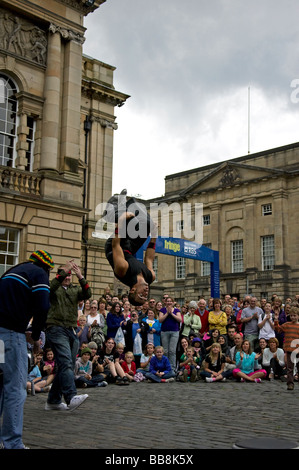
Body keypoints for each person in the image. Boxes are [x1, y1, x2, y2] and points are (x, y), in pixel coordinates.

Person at [0, 249, 53, 448]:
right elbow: (43, 306)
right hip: (13, 334)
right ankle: (12, 443)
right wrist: (37, 334)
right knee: (15, 388)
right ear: (46, 267)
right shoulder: (38, 274)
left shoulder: (12, 271)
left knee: (1, 385)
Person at [45, 259, 92, 411]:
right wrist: (64, 269)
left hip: (71, 330)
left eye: (69, 275)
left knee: (66, 366)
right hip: (56, 328)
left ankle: (53, 400)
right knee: (65, 362)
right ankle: (71, 397)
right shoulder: (54, 288)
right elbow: (51, 286)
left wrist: (80, 276)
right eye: (65, 274)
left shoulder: (74, 289)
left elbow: (87, 293)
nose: (67, 277)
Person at [104, 191, 157, 306]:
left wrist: (121, 220)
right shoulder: (150, 277)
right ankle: (130, 203)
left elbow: (116, 245)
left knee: (129, 221)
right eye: (145, 297)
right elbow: (149, 259)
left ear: (133, 290)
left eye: (141, 295)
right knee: (148, 224)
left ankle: (111, 213)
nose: (146, 293)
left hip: (114, 246)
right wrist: (154, 236)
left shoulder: (123, 270)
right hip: (129, 249)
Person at [274, 306, 299, 390]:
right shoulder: (287, 325)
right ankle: (290, 383)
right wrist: (276, 320)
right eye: (291, 315)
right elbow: (278, 329)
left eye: (295, 315)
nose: (293, 317)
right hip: (289, 350)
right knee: (290, 368)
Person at [159, 297, 182, 371]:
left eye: (170, 301)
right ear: (165, 302)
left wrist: (171, 313)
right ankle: (165, 367)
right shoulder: (162, 310)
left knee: (172, 351)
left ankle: (172, 368)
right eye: (167, 301)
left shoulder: (176, 310)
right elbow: (160, 320)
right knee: (165, 351)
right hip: (164, 332)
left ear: (173, 302)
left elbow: (180, 319)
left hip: (174, 332)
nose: (169, 302)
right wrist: (167, 313)